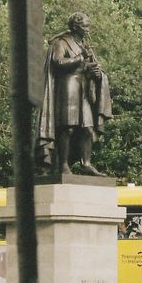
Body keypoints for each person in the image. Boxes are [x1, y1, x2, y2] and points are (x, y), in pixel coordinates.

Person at [35, 11, 112, 177]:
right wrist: (79, 58)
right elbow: (58, 62)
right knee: (67, 128)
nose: (88, 29)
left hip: (84, 89)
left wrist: (97, 73)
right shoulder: (61, 42)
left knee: (87, 128)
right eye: (85, 26)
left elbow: (91, 66)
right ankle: (62, 165)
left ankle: (87, 164)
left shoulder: (85, 45)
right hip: (67, 87)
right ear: (76, 26)